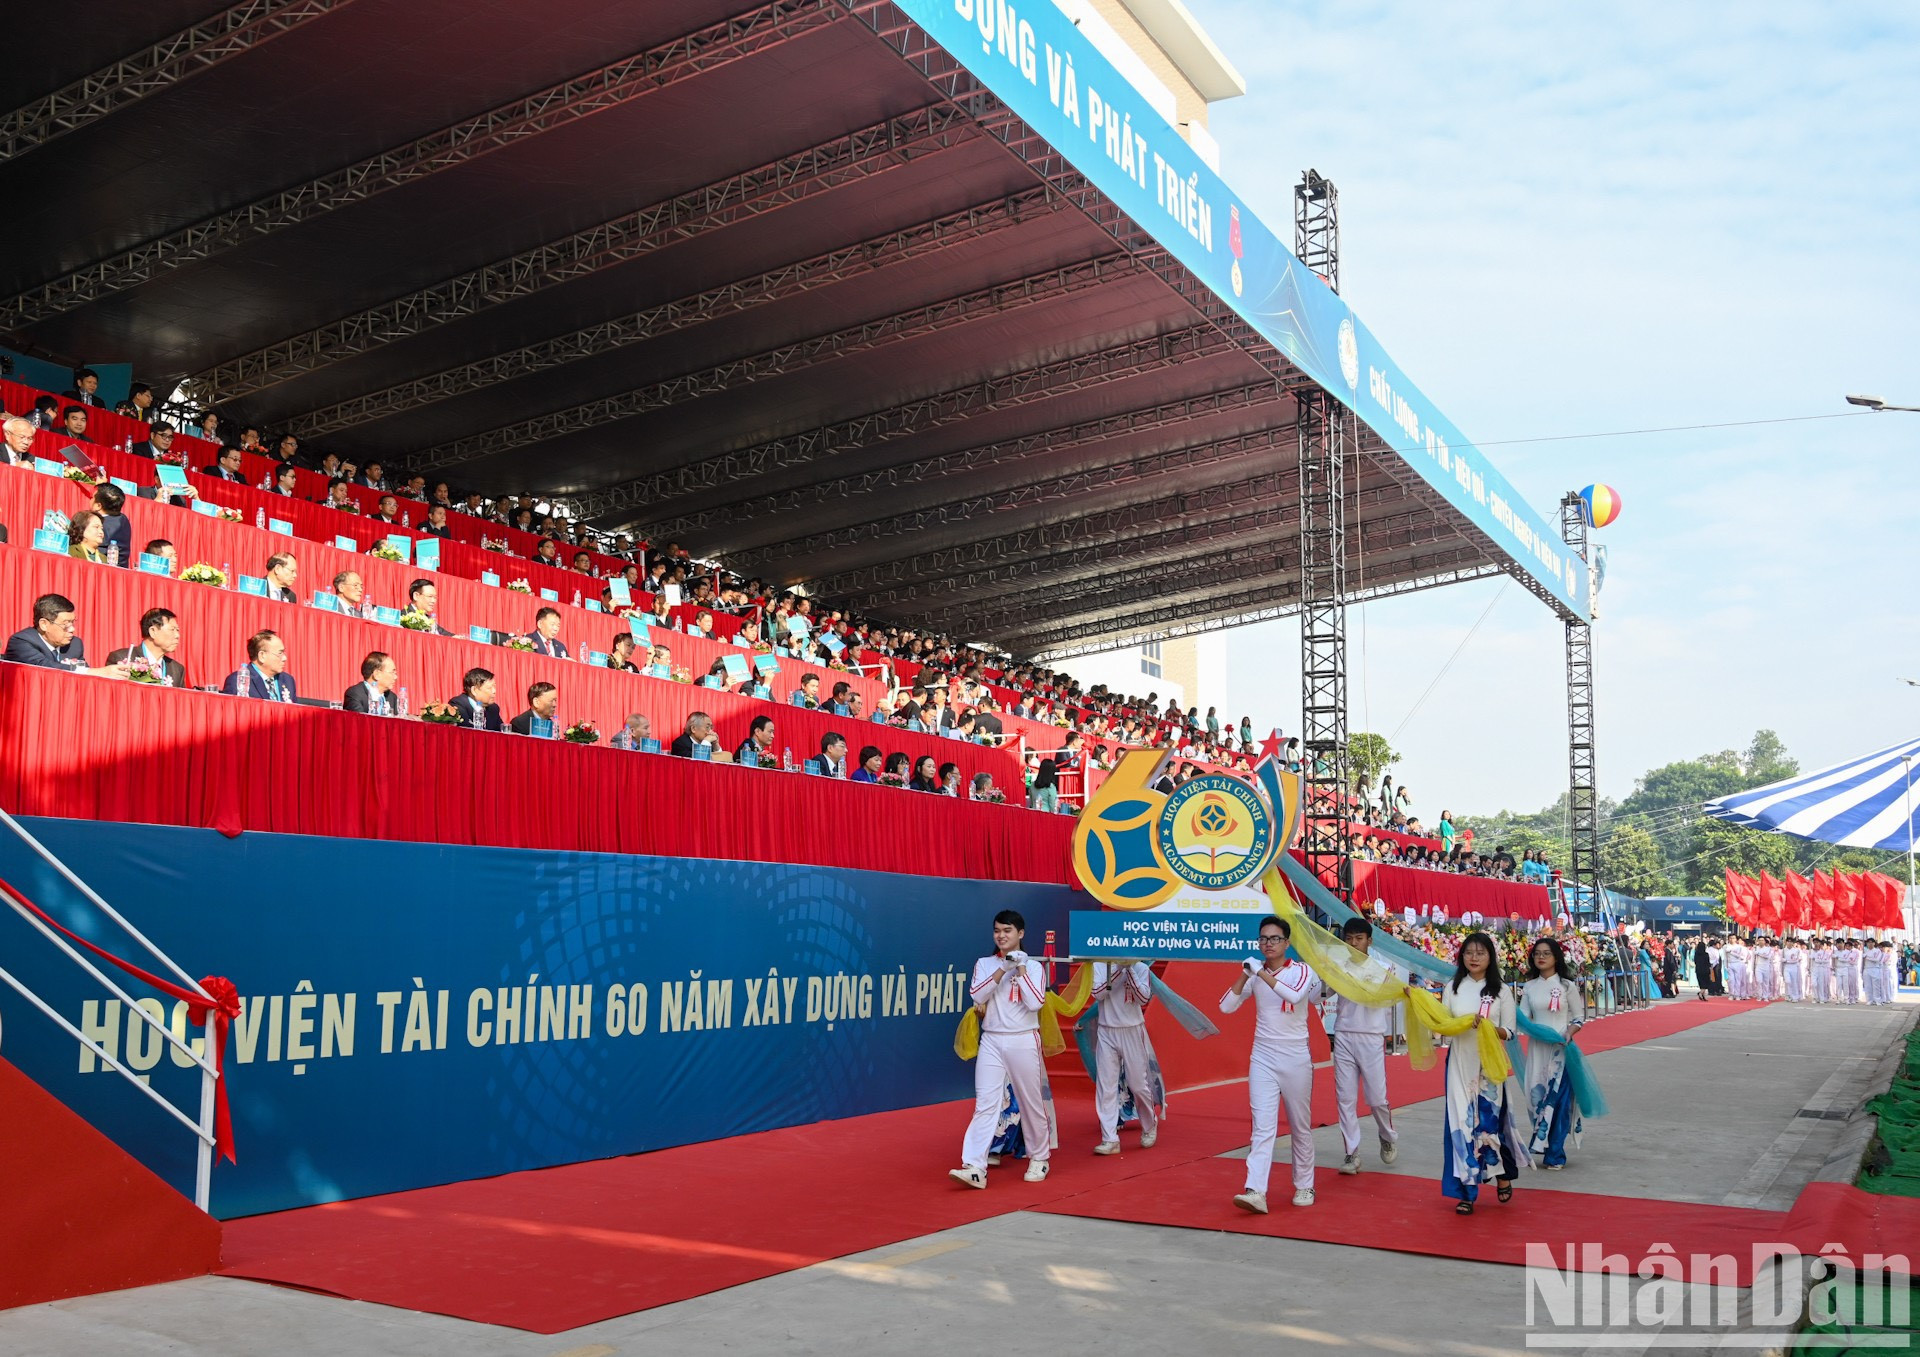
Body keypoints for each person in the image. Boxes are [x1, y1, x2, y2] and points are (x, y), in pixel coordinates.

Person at [1220, 916, 1323, 1213]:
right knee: (1262, 1127)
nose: (1268, 944)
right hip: (1262, 1056)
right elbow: (1225, 1007)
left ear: (1287, 943)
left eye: (1274, 939)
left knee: (1299, 1125)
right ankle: (1255, 1190)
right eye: (1263, 939)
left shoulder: (1302, 971)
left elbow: (1293, 994)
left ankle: (1304, 1184)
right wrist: (1244, 975)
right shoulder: (1253, 973)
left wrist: (1260, 975)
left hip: (1295, 1057)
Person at [949, 909, 1052, 1188]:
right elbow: (977, 995)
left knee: (1031, 1102)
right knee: (985, 1103)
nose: (1001, 936)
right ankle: (975, 1166)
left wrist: (1019, 970)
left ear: (1020, 933)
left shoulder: (1034, 967)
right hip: (992, 1039)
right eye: (997, 931)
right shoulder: (984, 964)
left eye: (1007, 931)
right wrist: (1002, 969)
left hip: (1023, 1038)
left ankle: (1039, 1157)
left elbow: (1035, 1003)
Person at [1439, 931, 1527, 1213]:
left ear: (1491, 957)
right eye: (1468, 952)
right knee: (1461, 1126)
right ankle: (1467, 1191)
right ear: (1461, 956)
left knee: (1489, 1126)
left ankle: (1501, 1174)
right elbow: (1442, 1024)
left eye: (1480, 953)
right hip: (1460, 1065)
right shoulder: (1451, 987)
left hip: (1489, 1067)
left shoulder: (1501, 991)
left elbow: (1510, 1032)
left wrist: (1488, 1027)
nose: (1473, 958)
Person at [1325, 918, 1399, 1174]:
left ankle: (1387, 1135)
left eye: (1359, 938)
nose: (1354, 943)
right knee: (1345, 1098)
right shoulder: (1338, 966)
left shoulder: (1381, 967)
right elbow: (1323, 993)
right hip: (1344, 1034)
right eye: (1349, 938)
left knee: (1377, 1098)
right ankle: (1351, 1153)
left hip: (1371, 1036)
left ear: (1370, 940)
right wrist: (1325, 974)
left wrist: (1341, 975)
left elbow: (1372, 994)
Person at [1518, 936, 1586, 1171]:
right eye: (1537, 953)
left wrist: (1569, 1031)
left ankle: (1555, 1153)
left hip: (1562, 1051)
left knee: (1558, 1101)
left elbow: (1578, 1018)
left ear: (1556, 957)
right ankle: (1543, 1144)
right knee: (1536, 1099)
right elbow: (1522, 1018)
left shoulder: (1567, 986)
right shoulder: (1529, 987)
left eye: (1546, 953)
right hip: (1537, 1050)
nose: (1541, 957)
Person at [1090, 959, 1161, 1156]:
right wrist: (1117, 969)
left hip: (1132, 1029)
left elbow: (1142, 998)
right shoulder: (1099, 966)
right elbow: (1097, 993)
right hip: (1106, 1030)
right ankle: (1109, 1138)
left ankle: (1149, 1125)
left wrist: (1128, 969)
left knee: (1138, 1084)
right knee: (1106, 1086)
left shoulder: (1141, 968)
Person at [5, 594, 128, 676]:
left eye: (73, 622)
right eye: (65, 624)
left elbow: (82, 674)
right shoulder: (21, 642)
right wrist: (98, 672)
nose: (72, 629)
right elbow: (45, 667)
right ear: (44, 624)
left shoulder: (75, 644)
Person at [106, 608, 187, 687]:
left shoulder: (177, 669)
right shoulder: (122, 658)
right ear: (153, 631)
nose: (177, 635)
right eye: (172, 630)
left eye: (177, 630)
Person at [221, 631, 298, 701]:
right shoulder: (238, 680)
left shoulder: (288, 681)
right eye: (280, 653)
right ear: (262, 656)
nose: (284, 658)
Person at [89, 484, 132, 565]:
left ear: (98, 506)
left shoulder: (98, 526)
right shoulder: (123, 519)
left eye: (91, 498)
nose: (90, 500)